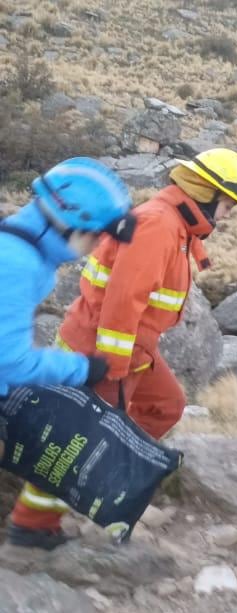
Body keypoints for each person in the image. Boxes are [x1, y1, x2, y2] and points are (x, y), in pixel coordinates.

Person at [12, 150, 237, 548]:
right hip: (101, 350)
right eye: (228, 205)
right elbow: (122, 302)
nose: (226, 215)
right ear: (207, 194)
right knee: (80, 437)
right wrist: (112, 367)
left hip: (136, 348)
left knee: (166, 405)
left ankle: (100, 472)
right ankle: (33, 523)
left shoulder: (178, 226)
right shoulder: (158, 226)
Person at [1, 158, 135, 549]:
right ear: (67, 222)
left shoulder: (21, 245)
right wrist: (81, 368)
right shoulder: (17, 263)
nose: (98, 245)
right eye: (96, 235)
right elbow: (11, 362)